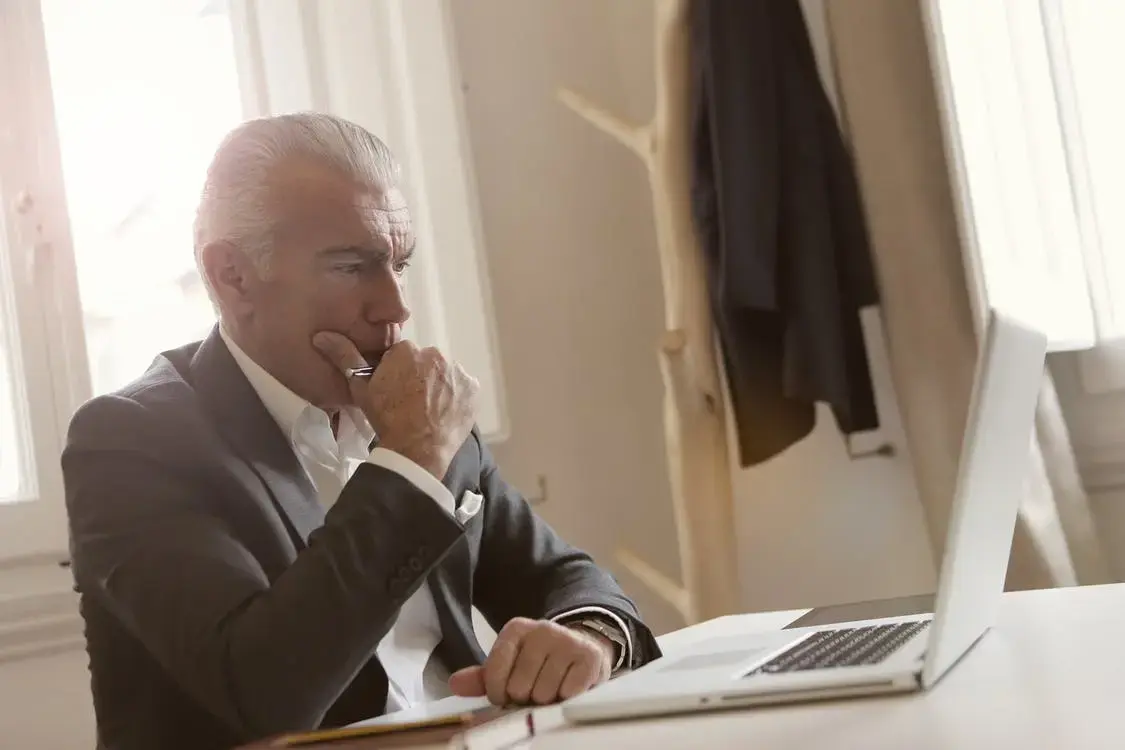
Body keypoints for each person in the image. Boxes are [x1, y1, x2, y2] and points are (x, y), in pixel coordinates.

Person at [61, 112, 660, 750]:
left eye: (399, 264)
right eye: (352, 267)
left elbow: (566, 577)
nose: (395, 307)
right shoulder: (128, 443)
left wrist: (590, 638)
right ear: (233, 277)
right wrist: (410, 461)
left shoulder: (419, 412)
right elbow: (264, 692)